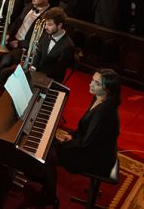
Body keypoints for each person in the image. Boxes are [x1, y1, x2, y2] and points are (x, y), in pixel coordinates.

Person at [39, 69, 121, 207]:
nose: (90, 84)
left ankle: (51, 197)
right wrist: (72, 136)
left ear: (107, 89)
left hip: (96, 158)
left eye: (96, 83)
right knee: (51, 144)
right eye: (92, 80)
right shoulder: (99, 98)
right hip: (94, 148)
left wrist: (65, 143)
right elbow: (86, 128)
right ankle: (46, 183)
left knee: (47, 155)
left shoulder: (103, 112)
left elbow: (87, 144)